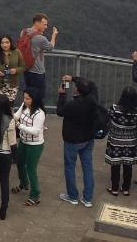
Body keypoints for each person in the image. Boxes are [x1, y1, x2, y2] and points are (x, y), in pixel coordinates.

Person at [57, 75, 97, 207]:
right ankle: (87, 199)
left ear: (77, 91)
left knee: (70, 167)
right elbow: (91, 83)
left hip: (72, 141)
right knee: (87, 167)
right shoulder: (93, 98)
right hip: (88, 138)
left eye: (75, 87)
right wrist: (73, 78)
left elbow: (59, 111)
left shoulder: (72, 105)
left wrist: (62, 95)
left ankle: (72, 196)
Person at [13, 87, 45, 206]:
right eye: (24, 98)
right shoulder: (25, 106)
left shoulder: (40, 113)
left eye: (28, 98)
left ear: (34, 99)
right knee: (20, 163)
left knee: (31, 168)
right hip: (23, 141)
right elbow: (17, 115)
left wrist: (19, 126)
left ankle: (35, 194)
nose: (25, 100)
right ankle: (24, 183)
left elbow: (36, 131)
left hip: (35, 145)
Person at [18, 14, 57, 100]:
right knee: (39, 97)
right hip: (38, 72)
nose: (46, 27)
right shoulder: (40, 38)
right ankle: (38, 112)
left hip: (26, 69)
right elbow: (50, 47)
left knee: (28, 96)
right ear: (37, 23)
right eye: (44, 24)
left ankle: (28, 112)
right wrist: (54, 35)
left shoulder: (23, 32)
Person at [106, 86, 137, 197]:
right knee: (128, 165)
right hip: (131, 143)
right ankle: (126, 189)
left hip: (115, 142)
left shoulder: (114, 109)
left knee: (115, 165)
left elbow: (108, 120)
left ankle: (114, 188)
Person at [0, 34, 25, 104]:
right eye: (2, 43)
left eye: (7, 42)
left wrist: (16, 70)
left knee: (9, 105)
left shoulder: (16, 52)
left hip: (12, 85)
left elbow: (23, 66)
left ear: (10, 42)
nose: (5, 45)